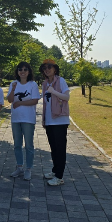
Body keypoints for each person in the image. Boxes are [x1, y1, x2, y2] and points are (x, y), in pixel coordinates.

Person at [7, 62, 40, 181]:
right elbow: (10, 100)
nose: (22, 71)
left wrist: (20, 103)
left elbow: (35, 100)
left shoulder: (33, 84)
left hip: (28, 119)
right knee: (17, 144)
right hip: (16, 119)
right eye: (20, 69)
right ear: (17, 71)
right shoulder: (13, 83)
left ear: (29, 71)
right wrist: (13, 89)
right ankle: (19, 167)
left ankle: (28, 169)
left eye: (25, 69)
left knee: (29, 145)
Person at [40, 58, 70, 186]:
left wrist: (54, 92)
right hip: (50, 120)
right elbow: (45, 104)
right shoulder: (45, 83)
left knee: (60, 149)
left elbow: (67, 97)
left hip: (60, 120)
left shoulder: (60, 80)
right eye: (44, 68)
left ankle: (59, 177)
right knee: (53, 148)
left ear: (55, 69)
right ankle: (55, 170)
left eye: (49, 67)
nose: (47, 70)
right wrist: (44, 120)